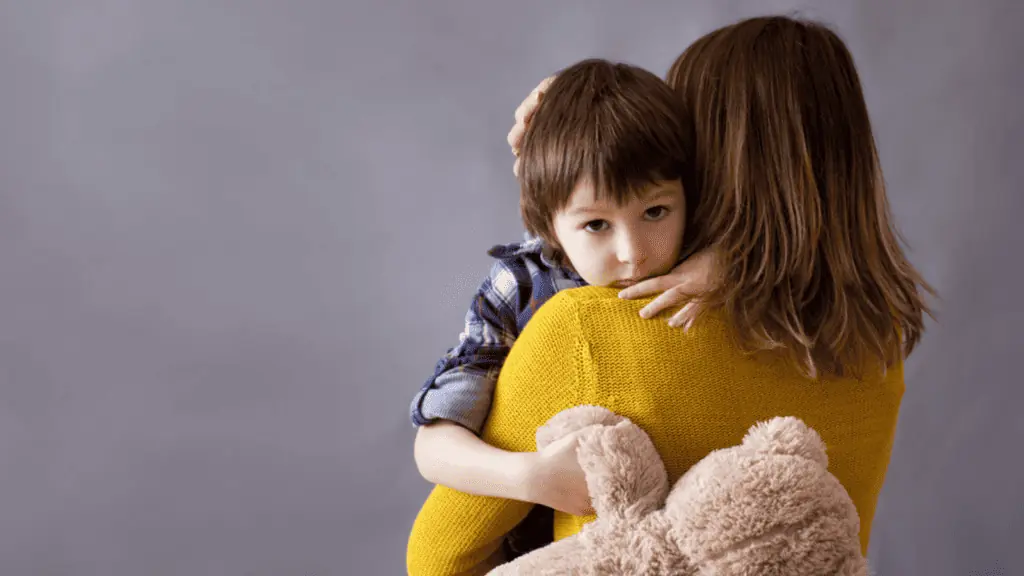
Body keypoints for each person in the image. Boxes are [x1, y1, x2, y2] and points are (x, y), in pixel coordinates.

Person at [406, 15, 934, 576]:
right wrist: (578, 118)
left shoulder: (588, 330)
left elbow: (438, 558)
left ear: (702, 157)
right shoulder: (878, 344)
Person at [408, 58, 704, 556]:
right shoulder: (524, 286)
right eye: (596, 225)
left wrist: (719, 267)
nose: (633, 251)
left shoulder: (698, 260)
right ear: (549, 224)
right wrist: (533, 477)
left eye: (655, 211)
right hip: (542, 547)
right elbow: (434, 444)